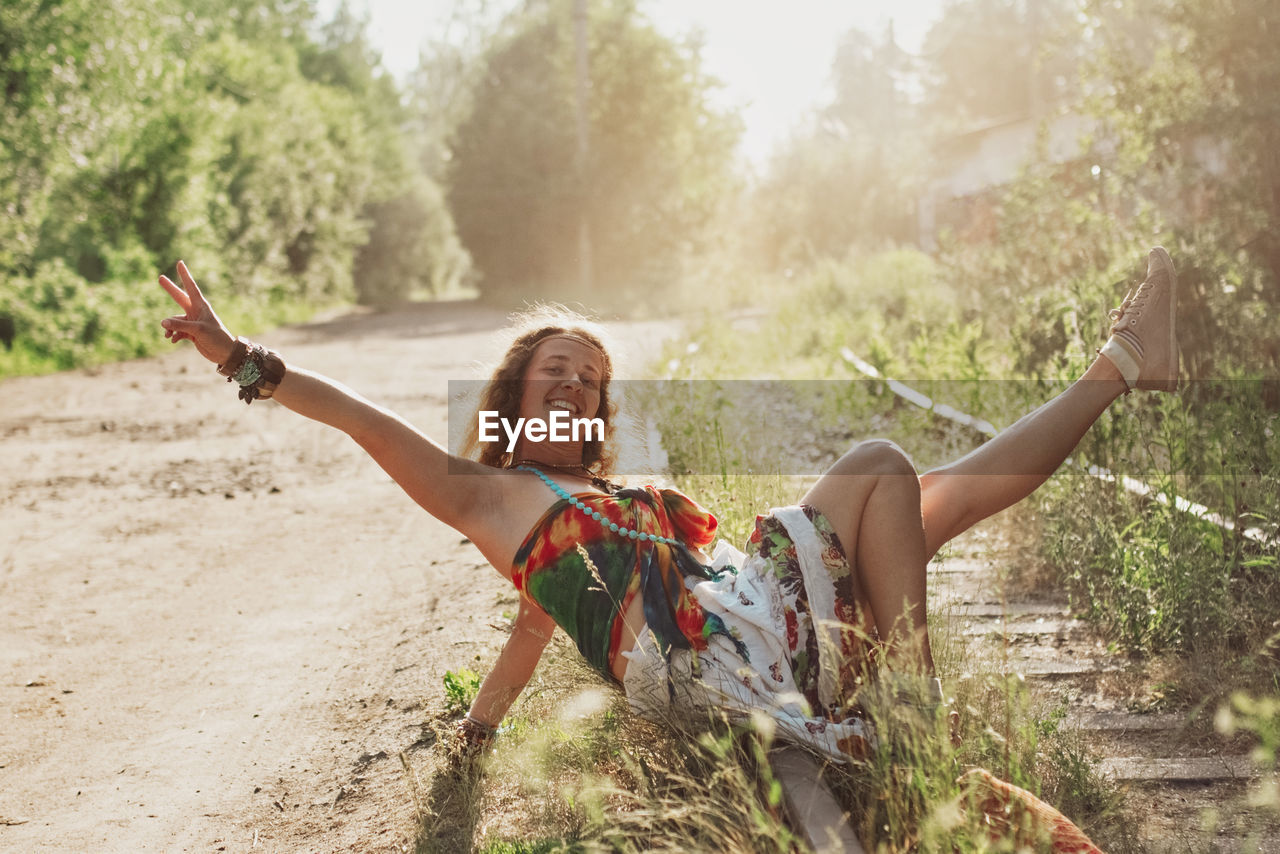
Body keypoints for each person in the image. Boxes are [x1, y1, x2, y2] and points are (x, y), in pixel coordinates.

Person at [157, 248, 1178, 849]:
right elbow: (363, 420)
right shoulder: (484, 496)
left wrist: (476, 726)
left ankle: (1119, 364)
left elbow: (525, 632)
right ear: (514, 390)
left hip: (759, 609)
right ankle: (904, 733)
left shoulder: (604, 501)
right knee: (829, 818)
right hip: (710, 672)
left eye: (591, 379)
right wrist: (241, 356)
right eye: (555, 369)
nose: (573, 385)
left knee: (904, 478)